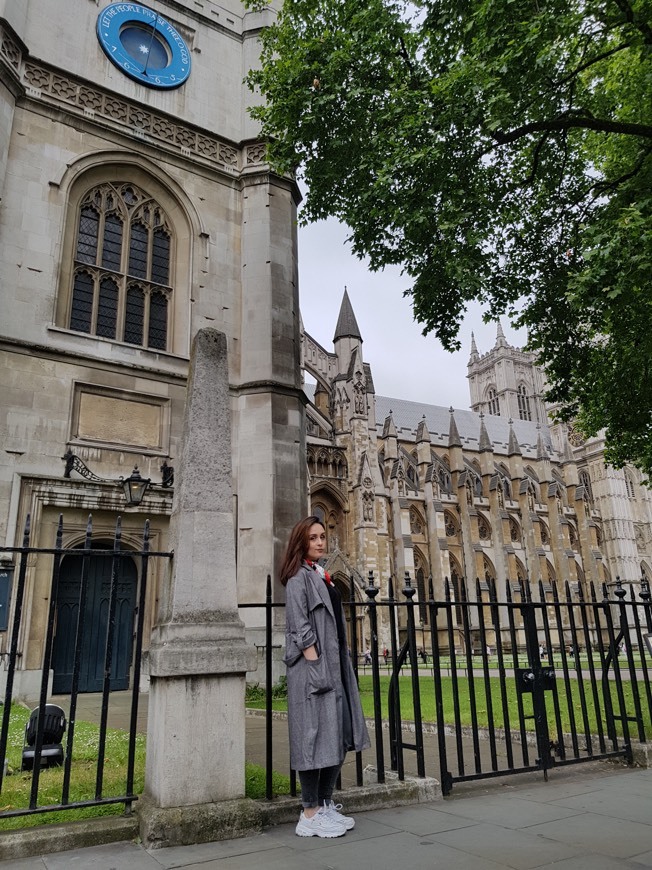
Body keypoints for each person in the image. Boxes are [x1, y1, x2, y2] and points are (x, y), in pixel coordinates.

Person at [281, 516, 370, 838]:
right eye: (313, 538)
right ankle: (309, 813)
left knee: (338, 733)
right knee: (312, 739)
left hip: (335, 665)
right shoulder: (297, 578)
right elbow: (299, 626)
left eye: (323, 536)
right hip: (312, 670)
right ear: (300, 543)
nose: (321, 542)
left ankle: (325, 803)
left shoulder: (322, 575)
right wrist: (316, 665)